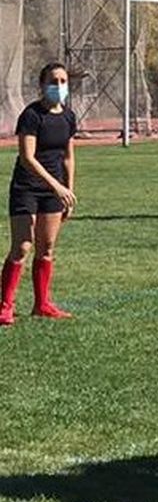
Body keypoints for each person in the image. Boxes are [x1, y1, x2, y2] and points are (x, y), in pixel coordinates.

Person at [1, 62, 77, 326]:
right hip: (27, 188)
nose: (59, 87)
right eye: (53, 82)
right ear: (42, 85)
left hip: (54, 191)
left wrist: (69, 190)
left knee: (46, 247)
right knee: (22, 246)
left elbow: (68, 157)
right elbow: (27, 157)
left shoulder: (68, 116)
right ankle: (5, 306)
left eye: (63, 82)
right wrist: (56, 186)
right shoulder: (31, 115)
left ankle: (42, 304)